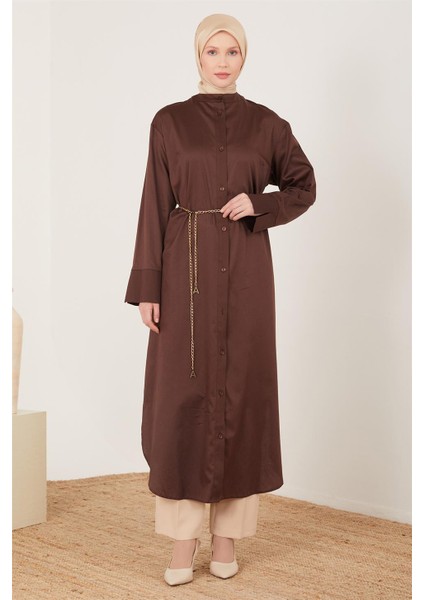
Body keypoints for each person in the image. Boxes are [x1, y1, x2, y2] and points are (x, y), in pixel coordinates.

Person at [124, 13, 316, 586]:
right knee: (182, 401)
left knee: (241, 398)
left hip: (248, 280)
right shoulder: (170, 122)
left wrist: (261, 203)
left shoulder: (268, 125)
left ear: (244, 57)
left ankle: (228, 539)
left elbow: (304, 185)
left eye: (232, 51)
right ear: (198, 56)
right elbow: (153, 204)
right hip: (184, 277)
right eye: (213, 50)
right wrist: (147, 287)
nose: (223, 61)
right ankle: (183, 544)